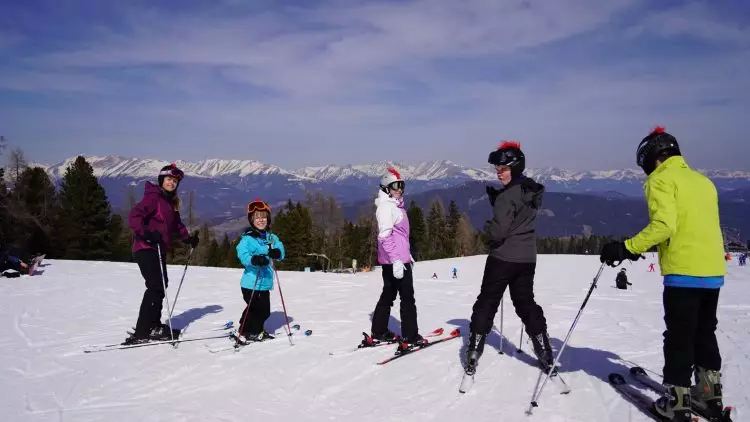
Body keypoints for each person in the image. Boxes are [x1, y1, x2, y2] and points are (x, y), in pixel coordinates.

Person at [599, 127, 726, 422]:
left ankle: (676, 403)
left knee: (679, 337)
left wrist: (627, 248)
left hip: (683, 270)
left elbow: (664, 226)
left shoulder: (661, 179)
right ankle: (710, 396)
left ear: (653, 159)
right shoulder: (704, 182)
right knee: (705, 332)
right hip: (712, 270)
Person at [467, 141, 553, 371]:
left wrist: (489, 224)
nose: (499, 173)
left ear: (514, 168)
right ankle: (544, 349)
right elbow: (519, 213)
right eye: (497, 169)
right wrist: (501, 199)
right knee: (525, 302)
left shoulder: (507, 196)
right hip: (527, 259)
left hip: (503, 258)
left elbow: (498, 231)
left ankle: (474, 348)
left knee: (488, 300)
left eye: (503, 169)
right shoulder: (530, 190)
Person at [125, 164, 199, 344]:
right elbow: (134, 216)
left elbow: (177, 225)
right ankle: (143, 330)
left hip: (158, 249)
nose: (172, 183)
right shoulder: (153, 198)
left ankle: (154, 325)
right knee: (155, 286)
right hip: (145, 248)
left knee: (161, 285)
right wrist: (146, 233)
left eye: (175, 181)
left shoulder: (170, 202)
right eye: (169, 179)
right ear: (161, 180)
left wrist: (188, 239)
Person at [370, 168, 426, 349]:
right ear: (386, 188)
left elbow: (399, 236)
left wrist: (406, 255)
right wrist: (397, 260)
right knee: (407, 298)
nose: (399, 189)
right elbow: (384, 237)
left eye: (401, 185)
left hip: (396, 260)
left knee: (388, 294)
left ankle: (379, 330)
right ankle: (410, 335)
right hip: (397, 262)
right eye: (395, 186)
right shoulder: (388, 208)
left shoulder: (393, 206)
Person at [235, 199, 285, 344]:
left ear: (268, 219)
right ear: (251, 220)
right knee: (258, 309)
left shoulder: (271, 238)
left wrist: (277, 252)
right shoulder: (248, 239)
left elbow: (280, 248)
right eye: (257, 217)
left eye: (263, 217)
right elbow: (242, 254)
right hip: (251, 283)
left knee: (262, 310)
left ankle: (253, 330)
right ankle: (247, 331)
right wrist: (254, 260)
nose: (261, 220)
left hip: (264, 283)